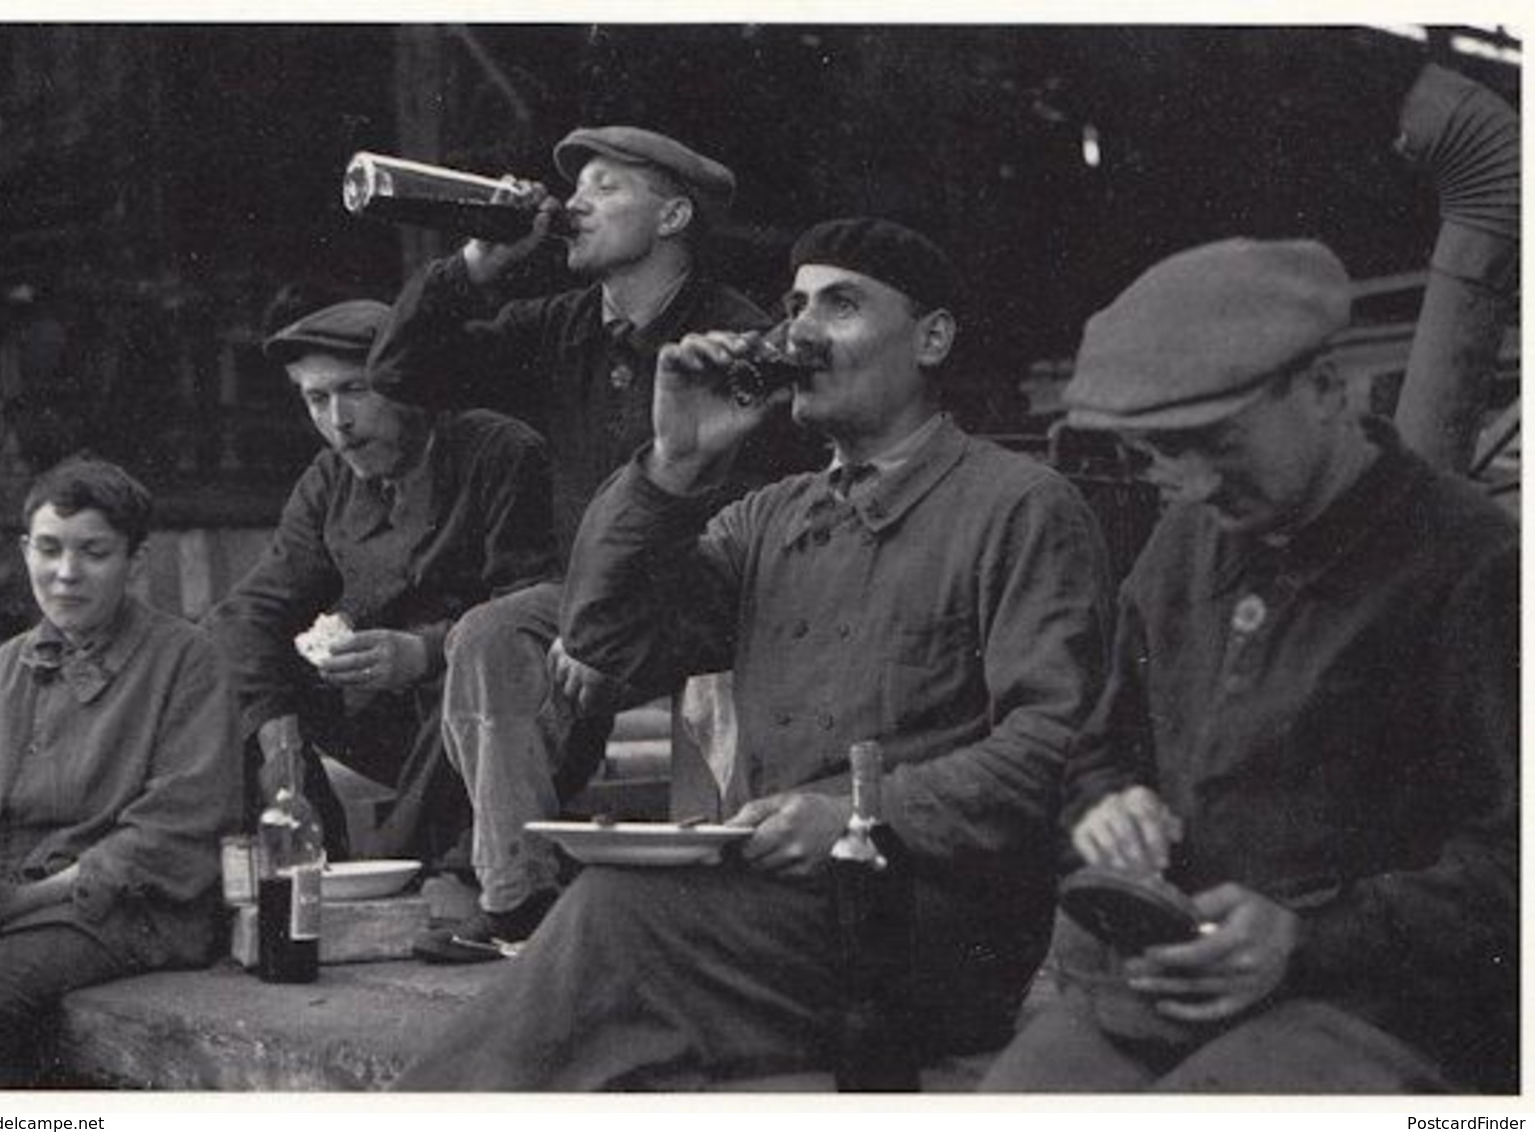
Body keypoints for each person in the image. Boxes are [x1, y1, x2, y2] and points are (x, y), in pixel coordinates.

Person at [392, 216, 1112, 1089]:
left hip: (937, 931)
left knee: (615, 924)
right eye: (795, 305)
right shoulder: (771, 516)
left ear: (932, 338)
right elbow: (602, 642)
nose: (800, 332)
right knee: (610, 1008)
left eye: (840, 306)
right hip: (780, 910)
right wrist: (671, 465)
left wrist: (858, 817)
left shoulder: (1019, 505)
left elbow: (1053, 744)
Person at [979, 238, 1519, 1094]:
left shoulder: (1472, 563)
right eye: (1157, 452)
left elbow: (1512, 861)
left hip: (1387, 1014)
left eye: (1214, 441)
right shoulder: (1185, 542)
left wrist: (1308, 936)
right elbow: (1100, 749)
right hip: (1170, 991)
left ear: (1324, 388)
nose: (1189, 484)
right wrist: (1106, 808)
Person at [369, 126, 821, 954]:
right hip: (592, 604)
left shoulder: (737, 334)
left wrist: (608, 618)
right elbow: (403, 376)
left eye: (608, 187)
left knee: (527, 629)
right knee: (492, 631)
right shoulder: (563, 324)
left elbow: (756, 519)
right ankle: (519, 903)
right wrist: (474, 267)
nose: (575, 202)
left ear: (675, 214)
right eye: (576, 188)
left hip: (723, 599)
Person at [206, 299, 557, 864]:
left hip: (505, 723)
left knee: (474, 671)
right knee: (232, 658)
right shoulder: (329, 479)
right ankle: (312, 856)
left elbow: (534, 608)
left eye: (357, 390)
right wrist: (282, 748)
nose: (338, 421)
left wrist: (424, 651)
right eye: (317, 399)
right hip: (386, 722)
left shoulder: (500, 451)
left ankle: (407, 862)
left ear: (412, 382)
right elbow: (251, 612)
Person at [0, 457, 240, 1088]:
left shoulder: (188, 660)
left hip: (135, 911)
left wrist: (20, 901)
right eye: (50, 549)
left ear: (135, 561)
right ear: (25, 549)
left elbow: (174, 835)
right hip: (9, 904)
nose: (66, 574)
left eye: (94, 552)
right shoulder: (0, 672)